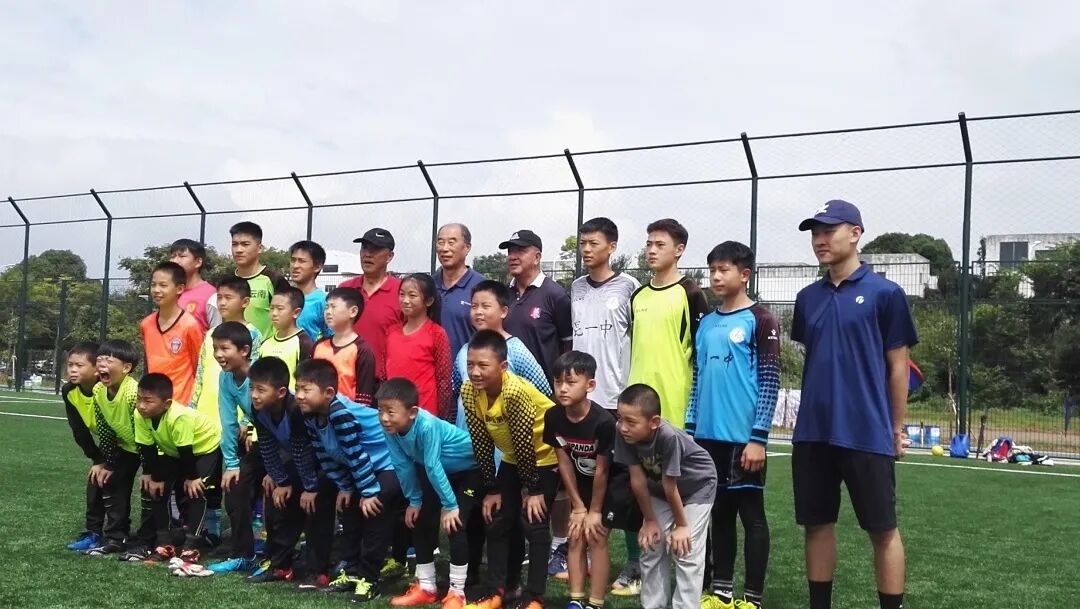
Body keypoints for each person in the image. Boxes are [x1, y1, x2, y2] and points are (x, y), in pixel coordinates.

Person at [791, 200, 918, 609]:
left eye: (828, 231)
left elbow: (898, 368)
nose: (820, 240)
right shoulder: (807, 298)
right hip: (813, 432)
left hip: (866, 431)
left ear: (856, 233)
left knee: (882, 530)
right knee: (816, 525)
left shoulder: (886, 294)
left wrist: (895, 428)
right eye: (815, 233)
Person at [689, 241, 780, 609]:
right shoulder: (706, 323)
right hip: (707, 439)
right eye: (712, 270)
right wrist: (691, 431)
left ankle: (752, 598)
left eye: (723, 270)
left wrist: (759, 438)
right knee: (719, 515)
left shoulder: (761, 319)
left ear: (744, 275)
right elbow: (697, 380)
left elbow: (770, 381)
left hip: (744, 439)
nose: (715, 276)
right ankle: (721, 592)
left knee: (752, 517)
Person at [460, 330, 559, 609]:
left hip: (544, 457)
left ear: (502, 366)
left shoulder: (514, 391)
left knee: (534, 522)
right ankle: (498, 591)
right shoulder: (469, 390)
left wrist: (533, 489)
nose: (475, 372)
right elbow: (481, 440)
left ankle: (535, 597)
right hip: (513, 457)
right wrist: (492, 488)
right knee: (498, 520)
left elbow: (525, 441)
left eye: (483, 365)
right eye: (470, 364)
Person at [571, 217, 644, 596]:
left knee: (625, 487)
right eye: (583, 243)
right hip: (583, 403)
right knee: (586, 484)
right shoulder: (575, 288)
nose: (586, 249)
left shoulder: (630, 287)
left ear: (612, 246)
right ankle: (584, 557)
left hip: (616, 401)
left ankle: (634, 563)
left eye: (594, 243)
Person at [295, 358, 401, 604]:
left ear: (329, 393)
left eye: (306, 390)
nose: (299, 395)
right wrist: (344, 486)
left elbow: (356, 454)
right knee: (349, 508)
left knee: (374, 508)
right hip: (363, 467)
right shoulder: (310, 415)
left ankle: (370, 578)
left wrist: (369, 492)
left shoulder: (339, 413)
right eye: (297, 388)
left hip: (388, 462)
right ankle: (351, 570)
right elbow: (325, 455)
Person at [377, 378, 481, 609]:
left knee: (455, 524)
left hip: (468, 472)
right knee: (420, 520)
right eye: (380, 410)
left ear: (412, 412)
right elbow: (402, 465)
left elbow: (433, 465)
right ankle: (426, 587)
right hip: (437, 472)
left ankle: (457, 593)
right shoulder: (391, 429)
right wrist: (414, 500)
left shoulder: (427, 425)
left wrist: (450, 506)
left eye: (390, 412)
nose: (384, 418)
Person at [614, 384, 717, 609]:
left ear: (654, 422)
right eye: (620, 419)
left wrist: (682, 525)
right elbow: (637, 480)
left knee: (685, 548)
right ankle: (653, 605)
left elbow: (671, 485)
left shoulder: (668, 436)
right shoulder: (623, 433)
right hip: (661, 489)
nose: (623, 427)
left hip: (698, 487)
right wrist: (650, 520)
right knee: (652, 543)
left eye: (630, 422)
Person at [247, 356, 338, 588]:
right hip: (301, 464)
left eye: (260, 390)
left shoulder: (296, 410)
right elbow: (267, 446)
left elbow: (302, 450)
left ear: (280, 392)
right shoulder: (258, 410)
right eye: (251, 388)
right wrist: (280, 480)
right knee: (280, 500)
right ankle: (281, 565)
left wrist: (310, 487)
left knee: (315, 505)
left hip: (324, 465)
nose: (254, 395)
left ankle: (318, 571)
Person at [121, 373, 223, 565]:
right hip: (174, 450)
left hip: (204, 447)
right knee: (156, 488)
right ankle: (164, 543)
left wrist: (192, 477)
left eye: (148, 401)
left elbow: (186, 452)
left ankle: (192, 546)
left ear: (166, 404)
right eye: (139, 399)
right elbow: (147, 448)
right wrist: (150, 474)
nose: (141, 405)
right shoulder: (140, 414)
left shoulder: (179, 416)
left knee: (195, 491)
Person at [542, 351, 617, 609]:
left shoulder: (604, 422)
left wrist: (594, 510)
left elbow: (603, 471)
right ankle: (576, 600)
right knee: (574, 536)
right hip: (580, 486)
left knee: (596, 537)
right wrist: (577, 506)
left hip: (606, 487)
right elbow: (563, 461)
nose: (562, 388)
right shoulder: (553, 417)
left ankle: (595, 603)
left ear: (590, 385)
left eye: (571, 382)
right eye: (558, 381)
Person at [627, 218, 709, 430]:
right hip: (637, 396)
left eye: (660, 245)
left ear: (679, 250)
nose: (652, 251)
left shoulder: (691, 293)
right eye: (649, 244)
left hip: (674, 400)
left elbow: (701, 353)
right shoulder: (638, 295)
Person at [205, 321, 265, 575]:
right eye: (215, 348)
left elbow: (281, 418)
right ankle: (243, 555)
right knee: (235, 486)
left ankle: (282, 559)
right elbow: (228, 422)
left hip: (288, 444)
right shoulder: (226, 378)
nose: (218, 354)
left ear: (245, 350)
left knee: (283, 496)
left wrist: (277, 470)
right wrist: (231, 464)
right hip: (263, 444)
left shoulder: (261, 374)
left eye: (224, 348)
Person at [452, 280, 552, 424]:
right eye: (474, 306)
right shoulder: (464, 351)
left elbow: (543, 392)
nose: (478, 312)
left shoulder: (515, 349)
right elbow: (457, 390)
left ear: (503, 311)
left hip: (508, 436)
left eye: (486, 306)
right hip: (465, 435)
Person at [83, 339, 141, 556]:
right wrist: (107, 462)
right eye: (99, 359)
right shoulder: (99, 389)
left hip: (151, 448)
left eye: (108, 360)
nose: (102, 364)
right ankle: (116, 537)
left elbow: (146, 431)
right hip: (127, 447)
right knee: (110, 481)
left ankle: (154, 539)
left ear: (126, 368)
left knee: (153, 490)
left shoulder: (133, 392)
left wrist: (151, 468)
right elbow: (105, 428)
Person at [189, 275, 264, 430]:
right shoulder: (211, 334)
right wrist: (192, 407)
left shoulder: (253, 334)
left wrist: (246, 420)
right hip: (205, 411)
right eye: (219, 297)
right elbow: (200, 372)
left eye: (228, 298)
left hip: (235, 413)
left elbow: (253, 377)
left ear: (245, 302)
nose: (222, 303)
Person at [499, 229, 573, 382]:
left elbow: (568, 345)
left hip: (543, 389)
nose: (512, 257)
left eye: (520, 251)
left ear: (537, 257)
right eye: (510, 251)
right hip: (507, 388)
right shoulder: (503, 295)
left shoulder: (556, 295)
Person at [339, 227, 404, 384]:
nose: (367, 254)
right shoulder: (345, 289)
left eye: (375, 249)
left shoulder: (402, 292)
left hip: (383, 383)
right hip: (344, 379)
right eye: (364, 248)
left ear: (390, 256)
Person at [386, 273, 454, 420]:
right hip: (394, 413)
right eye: (402, 294)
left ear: (428, 301)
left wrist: (441, 418)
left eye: (412, 295)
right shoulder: (392, 332)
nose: (405, 300)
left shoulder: (437, 333)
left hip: (424, 413)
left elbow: (443, 380)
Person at [140, 261, 203, 406]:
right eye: (153, 285)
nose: (156, 290)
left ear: (179, 289)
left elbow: (198, 367)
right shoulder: (146, 324)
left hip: (181, 404)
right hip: (154, 404)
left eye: (163, 285)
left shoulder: (190, 325)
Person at [63, 341, 106, 552]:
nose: (72, 370)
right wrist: (98, 459)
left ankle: (158, 535)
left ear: (97, 369)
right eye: (70, 365)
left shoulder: (108, 388)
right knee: (96, 480)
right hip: (110, 444)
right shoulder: (69, 390)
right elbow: (78, 430)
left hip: (136, 442)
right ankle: (94, 533)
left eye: (79, 365)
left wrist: (108, 461)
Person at [313, 287, 377, 405]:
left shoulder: (362, 351)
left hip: (347, 413)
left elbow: (364, 399)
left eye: (333, 307)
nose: (328, 312)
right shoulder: (318, 346)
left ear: (353, 311)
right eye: (326, 307)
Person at [434, 223, 485, 356]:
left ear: (467, 247)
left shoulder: (483, 287)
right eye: (440, 242)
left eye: (451, 242)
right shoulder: (429, 286)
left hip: (468, 367)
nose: (444, 248)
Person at [231, 221, 284, 339]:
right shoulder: (227, 281)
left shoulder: (274, 280)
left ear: (259, 248)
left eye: (245, 244)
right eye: (234, 244)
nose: (238, 250)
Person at [258, 285, 315, 388]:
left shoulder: (303, 343)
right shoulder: (265, 344)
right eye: (271, 308)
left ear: (296, 312)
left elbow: (307, 379)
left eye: (280, 309)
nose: (274, 313)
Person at [170, 238, 221, 332]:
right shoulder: (170, 292)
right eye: (173, 256)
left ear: (198, 262)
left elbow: (218, 332)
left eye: (181, 256)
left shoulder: (211, 295)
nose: (175, 261)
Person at [290, 240, 333, 341]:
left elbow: (333, 338)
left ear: (317, 267)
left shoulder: (324, 302)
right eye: (293, 260)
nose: (295, 266)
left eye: (302, 261)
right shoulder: (282, 298)